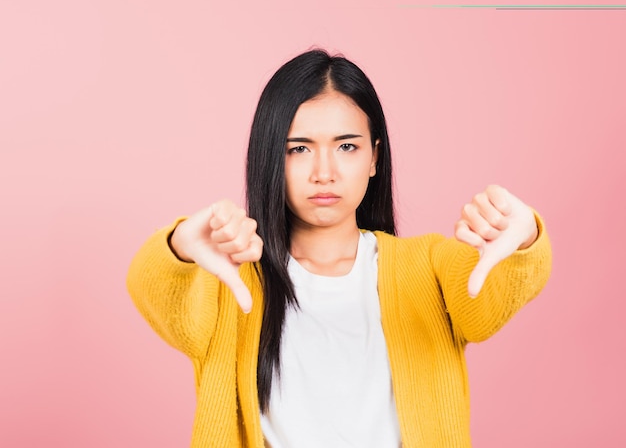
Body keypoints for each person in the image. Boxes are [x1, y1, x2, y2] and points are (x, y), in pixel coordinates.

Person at [127, 49, 552, 448]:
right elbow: (154, 287)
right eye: (299, 149)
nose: (324, 172)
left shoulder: (428, 266)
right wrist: (181, 245)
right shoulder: (230, 280)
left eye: (346, 146)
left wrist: (524, 236)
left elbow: (486, 303)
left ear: (374, 158)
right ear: (270, 159)